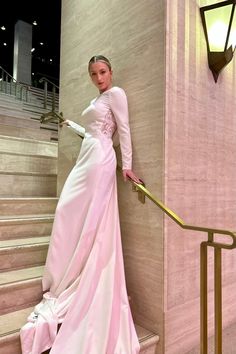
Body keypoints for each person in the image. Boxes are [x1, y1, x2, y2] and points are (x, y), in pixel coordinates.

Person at [20, 55, 141, 354]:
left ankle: (80, 274)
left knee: (85, 217)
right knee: (67, 211)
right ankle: (68, 272)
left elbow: (122, 129)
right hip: (87, 157)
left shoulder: (116, 94)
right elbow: (90, 131)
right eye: (93, 74)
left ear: (111, 72)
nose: (98, 78)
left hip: (100, 161)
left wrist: (127, 165)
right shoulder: (97, 98)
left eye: (102, 72)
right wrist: (69, 123)